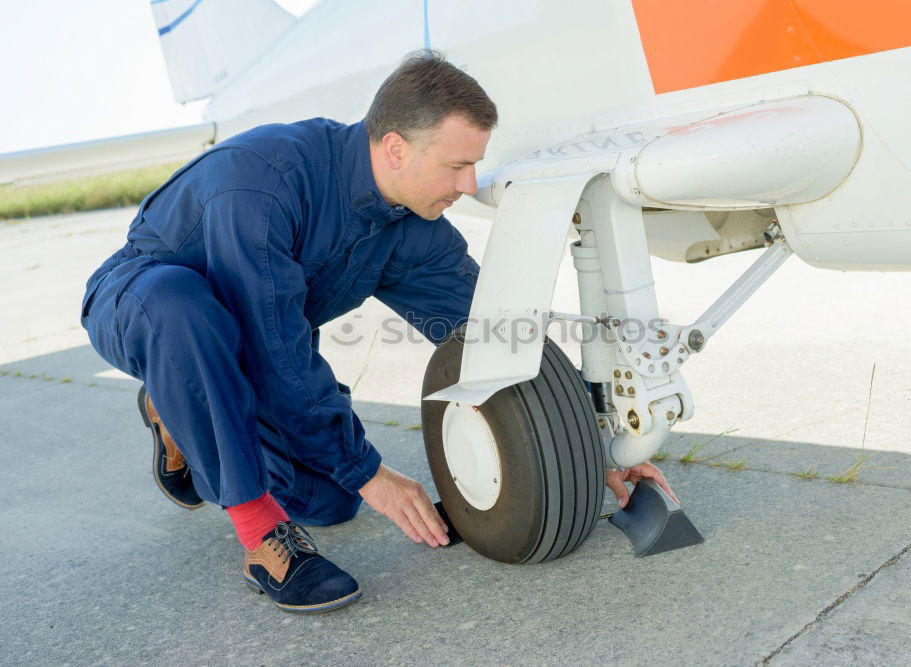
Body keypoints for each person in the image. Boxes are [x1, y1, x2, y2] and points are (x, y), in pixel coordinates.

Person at [81, 50, 673, 615]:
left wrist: (585, 445)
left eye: (474, 163)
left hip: (251, 344)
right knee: (186, 311)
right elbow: (274, 350)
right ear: (395, 149)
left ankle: (177, 407)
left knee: (333, 500)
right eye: (456, 164)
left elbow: (494, 334)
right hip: (143, 303)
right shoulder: (262, 188)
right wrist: (373, 472)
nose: (470, 184)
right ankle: (261, 538)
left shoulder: (411, 223)